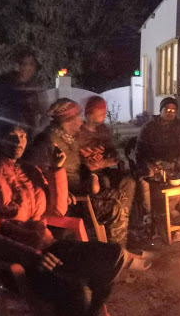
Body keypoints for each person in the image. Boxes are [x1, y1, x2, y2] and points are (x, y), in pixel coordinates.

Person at [0, 119, 127, 316]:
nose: (19, 142)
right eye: (11, 136)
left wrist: (57, 170)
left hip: (48, 247)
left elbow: (57, 211)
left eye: (22, 136)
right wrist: (32, 257)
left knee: (115, 255)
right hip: (19, 263)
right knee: (76, 292)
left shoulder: (29, 170)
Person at [25, 98, 135, 249]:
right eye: (78, 117)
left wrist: (92, 176)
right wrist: (61, 193)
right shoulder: (48, 142)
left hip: (81, 189)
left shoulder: (69, 140)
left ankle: (111, 247)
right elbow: (33, 173)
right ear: (68, 120)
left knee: (121, 193)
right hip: (71, 200)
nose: (81, 122)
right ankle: (116, 250)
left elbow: (80, 167)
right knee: (114, 206)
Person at [0, 48, 43, 132]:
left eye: (31, 64)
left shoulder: (32, 86)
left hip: (26, 132)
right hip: (5, 131)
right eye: (24, 64)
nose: (28, 68)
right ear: (18, 66)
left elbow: (36, 110)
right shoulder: (4, 81)